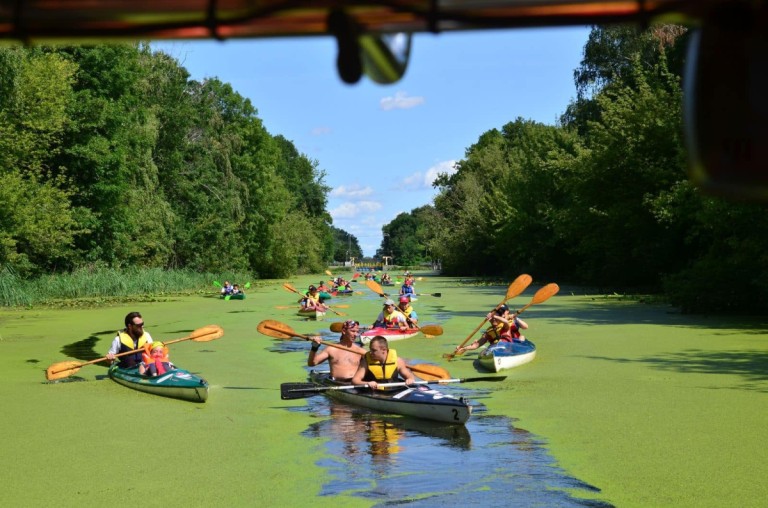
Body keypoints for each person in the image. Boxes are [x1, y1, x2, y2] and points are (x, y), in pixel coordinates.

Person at [454, 304, 529, 354]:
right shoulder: (489, 331)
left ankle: (521, 348)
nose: (494, 320)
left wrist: (495, 316)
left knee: (522, 337)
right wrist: (464, 348)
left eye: (497, 317)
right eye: (492, 319)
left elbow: (508, 322)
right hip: (496, 349)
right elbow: (476, 345)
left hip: (510, 345)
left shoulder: (505, 325)